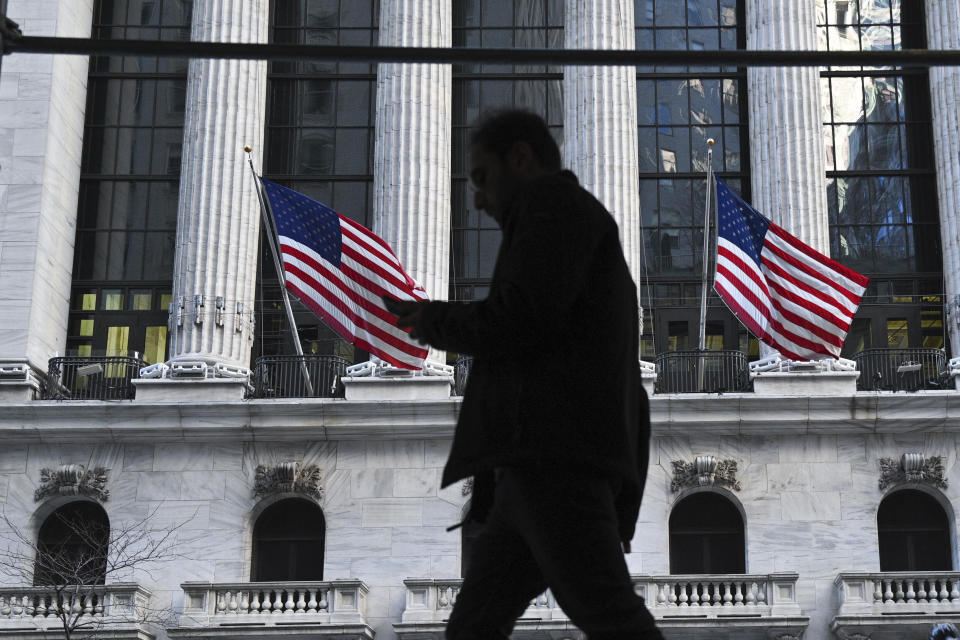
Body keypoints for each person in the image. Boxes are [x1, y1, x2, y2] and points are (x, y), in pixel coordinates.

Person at [386, 109, 662, 639]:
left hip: (555, 459)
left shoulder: (554, 210)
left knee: (610, 616)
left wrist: (434, 318)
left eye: (483, 178)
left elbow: (520, 319)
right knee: (474, 625)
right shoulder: (564, 216)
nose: (477, 199)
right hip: (540, 461)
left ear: (521, 158)